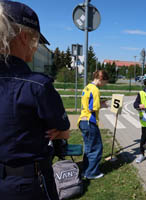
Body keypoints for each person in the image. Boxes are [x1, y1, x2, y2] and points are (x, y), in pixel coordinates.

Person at [0, 1, 70, 199]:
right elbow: (63, 131)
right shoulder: (37, 85)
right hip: (28, 184)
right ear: (24, 37)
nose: (36, 46)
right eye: (36, 40)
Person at [77, 70, 109, 180]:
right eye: (105, 82)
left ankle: (85, 170)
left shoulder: (87, 87)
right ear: (101, 79)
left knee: (88, 148)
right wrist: (103, 105)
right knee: (96, 148)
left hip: (82, 120)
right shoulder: (95, 90)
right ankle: (91, 173)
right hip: (90, 121)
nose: (104, 85)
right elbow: (93, 108)